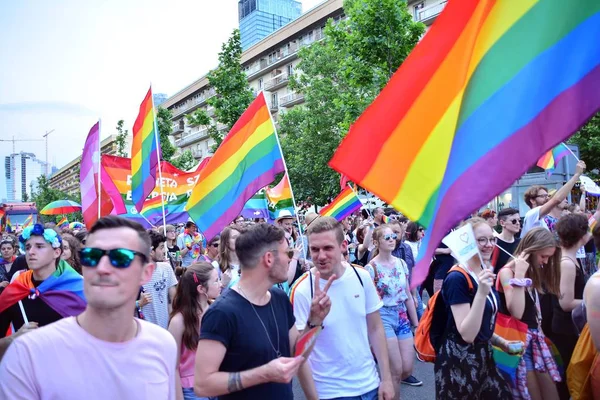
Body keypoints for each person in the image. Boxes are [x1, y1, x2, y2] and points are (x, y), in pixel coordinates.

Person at [0, 216, 177, 399]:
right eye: (92, 257)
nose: (102, 268)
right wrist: (11, 340)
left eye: (120, 257)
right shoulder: (26, 353)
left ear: (146, 273)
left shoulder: (163, 345)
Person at [194, 223, 333, 399]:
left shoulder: (279, 298)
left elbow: (297, 355)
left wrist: (314, 321)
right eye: (287, 253)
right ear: (269, 258)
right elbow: (203, 385)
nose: (291, 259)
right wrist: (263, 374)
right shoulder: (221, 313)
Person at [291, 216, 395, 400]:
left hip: (370, 385)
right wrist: (314, 321)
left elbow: (376, 328)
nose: (321, 256)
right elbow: (298, 356)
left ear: (343, 246)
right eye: (315, 249)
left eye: (328, 248)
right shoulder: (302, 289)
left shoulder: (361, 276)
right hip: (330, 393)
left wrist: (386, 379)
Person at [434, 218, 514, 399]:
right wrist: (481, 294)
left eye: (492, 239)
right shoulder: (457, 278)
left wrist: (502, 343)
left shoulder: (483, 272)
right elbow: (467, 334)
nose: (489, 245)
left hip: (484, 356)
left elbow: (482, 322)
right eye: (481, 240)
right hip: (459, 365)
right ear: (468, 243)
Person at [0, 224, 85, 358]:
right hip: (25, 374)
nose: (31, 252)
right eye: (27, 247)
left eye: (39, 246)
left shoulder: (79, 288)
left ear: (57, 252)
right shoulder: (16, 289)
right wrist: (13, 339)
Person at [497, 228, 562, 400]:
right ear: (531, 251)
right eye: (543, 256)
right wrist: (519, 275)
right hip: (519, 341)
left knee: (551, 393)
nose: (546, 262)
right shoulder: (507, 272)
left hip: (536, 338)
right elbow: (517, 312)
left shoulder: (534, 269)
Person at [366, 225, 421, 393]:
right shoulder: (371, 268)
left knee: (407, 369)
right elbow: (368, 303)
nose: (392, 240)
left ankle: (386, 383)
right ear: (376, 242)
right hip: (383, 317)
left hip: (402, 315)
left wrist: (417, 324)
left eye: (393, 236)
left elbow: (408, 295)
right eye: (387, 237)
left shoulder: (401, 263)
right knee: (395, 370)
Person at [169, 262, 221, 400]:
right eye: (216, 281)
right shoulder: (179, 321)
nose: (220, 284)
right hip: (191, 390)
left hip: (217, 383)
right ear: (201, 288)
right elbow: (173, 366)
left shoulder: (216, 310)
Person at [551, 214, 588, 392]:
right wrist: (593, 301)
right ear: (582, 236)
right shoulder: (566, 263)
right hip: (566, 329)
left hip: (570, 326)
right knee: (569, 375)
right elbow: (566, 303)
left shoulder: (570, 258)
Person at [521, 160, 585, 236]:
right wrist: (576, 175)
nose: (547, 198)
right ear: (532, 201)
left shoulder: (543, 219)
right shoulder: (531, 214)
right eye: (543, 196)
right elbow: (557, 199)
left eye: (547, 195)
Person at [141, 230, 178, 329]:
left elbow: (173, 298)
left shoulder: (166, 268)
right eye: (161, 247)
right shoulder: (136, 274)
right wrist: (138, 303)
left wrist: (172, 323)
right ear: (151, 251)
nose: (165, 251)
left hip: (165, 329)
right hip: (145, 332)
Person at [491, 207, 521, 273]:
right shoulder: (493, 243)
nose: (518, 223)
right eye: (514, 221)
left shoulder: (521, 243)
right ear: (502, 223)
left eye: (519, 220)